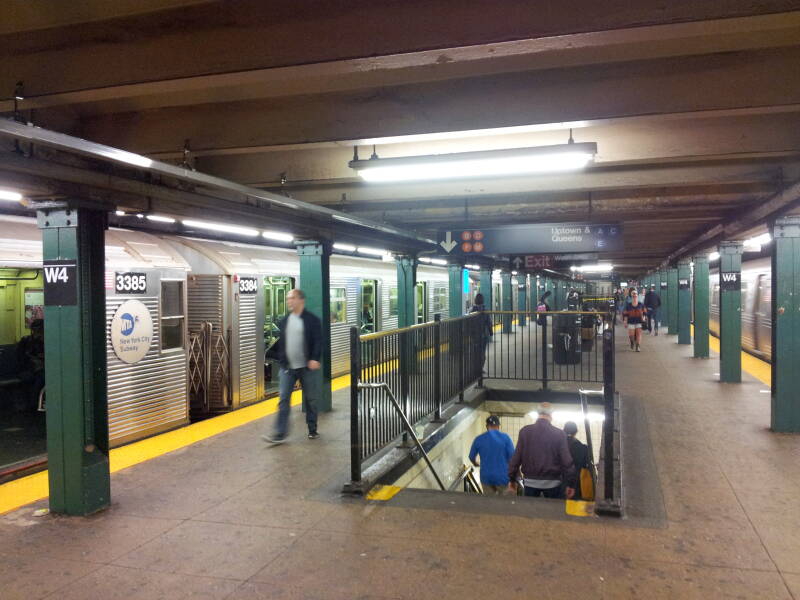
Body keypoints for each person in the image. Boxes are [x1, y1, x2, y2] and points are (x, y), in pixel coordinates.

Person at [263, 289, 323, 443]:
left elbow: (318, 341)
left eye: (292, 298)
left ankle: (312, 429)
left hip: (306, 368)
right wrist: (281, 358)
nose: (289, 301)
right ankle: (280, 433)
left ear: (301, 300)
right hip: (287, 368)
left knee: (311, 400)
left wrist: (315, 358)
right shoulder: (284, 321)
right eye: (288, 298)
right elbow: (281, 344)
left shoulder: (312, 320)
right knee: (283, 399)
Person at [507, 402, 575, 499]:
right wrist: (571, 483)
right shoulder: (559, 434)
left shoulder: (525, 432)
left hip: (530, 483)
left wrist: (512, 479)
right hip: (553, 484)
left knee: (530, 513)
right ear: (551, 415)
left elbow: (516, 458)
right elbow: (567, 461)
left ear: (538, 414)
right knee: (552, 512)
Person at [468, 415, 515, 495]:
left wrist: (475, 464)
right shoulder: (506, 438)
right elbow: (513, 458)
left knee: (489, 504)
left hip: (486, 477)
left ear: (486, 426)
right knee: (506, 504)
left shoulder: (479, 439)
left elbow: (471, 457)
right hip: (503, 477)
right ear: (498, 426)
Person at [16, 318, 45, 410]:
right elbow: (21, 358)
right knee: (36, 379)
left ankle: (33, 403)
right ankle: (33, 403)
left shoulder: (44, 341)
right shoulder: (26, 341)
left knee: (40, 378)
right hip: (28, 369)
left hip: (39, 369)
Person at [563, 421, 590, 500]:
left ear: (563, 430)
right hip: (577, 483)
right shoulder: (583, 448)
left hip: (561, 482)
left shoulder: (559, 446)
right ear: (576, 432)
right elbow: (586, 465)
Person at [470, 293, 493, 370]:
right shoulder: (485, 310)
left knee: (475, 352)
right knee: (482, 352)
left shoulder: (471, 310)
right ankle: (480, 369)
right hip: (483, 335)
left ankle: (475, 368)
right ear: (483, 300)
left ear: (475, 300)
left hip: (474, 335)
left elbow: (468, 323)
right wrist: (491, 332)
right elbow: (489, 322)